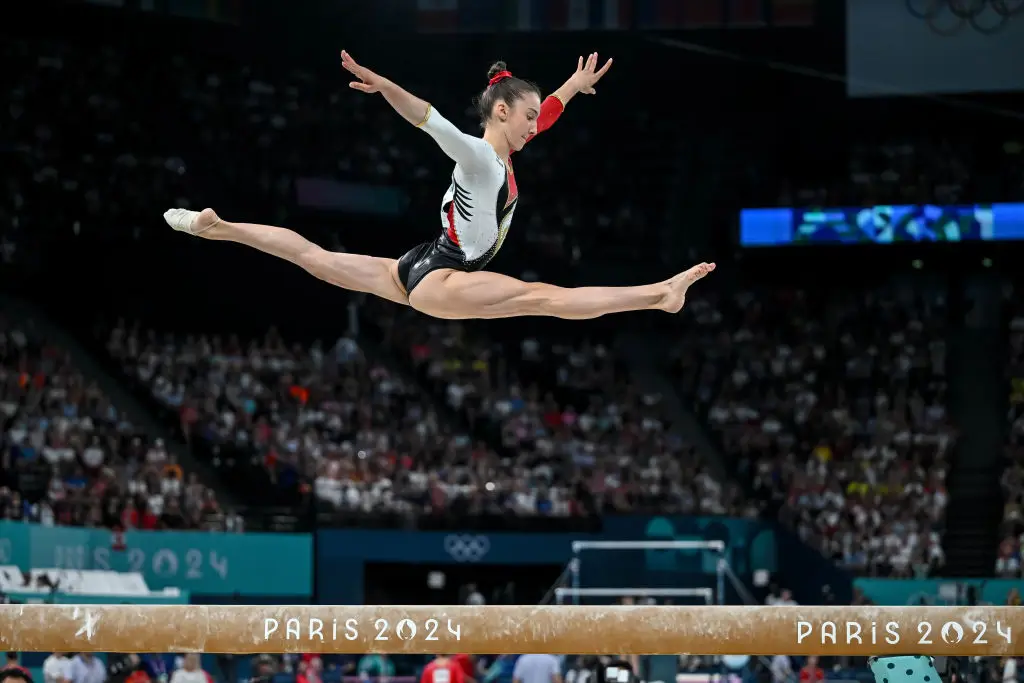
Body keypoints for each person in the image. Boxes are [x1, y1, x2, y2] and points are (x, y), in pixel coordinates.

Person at [163, 51, 715, 321]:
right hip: (444, 277)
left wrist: (570, 85)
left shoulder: (502, 149)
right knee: (541, 297)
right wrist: (385, 87)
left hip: (419, 263)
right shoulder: (479, 156)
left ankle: (220, 228)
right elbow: (430, 120)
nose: (533, 126)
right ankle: (659, 295)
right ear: (500, 112)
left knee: (314, 256)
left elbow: (544, 116)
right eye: (523, 117)